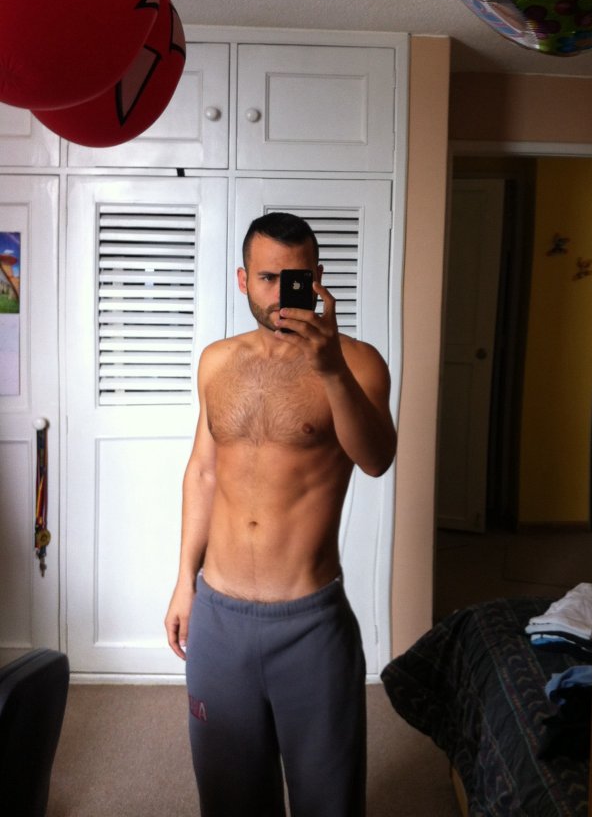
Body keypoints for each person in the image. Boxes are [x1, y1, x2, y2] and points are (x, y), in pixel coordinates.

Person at [164, 211, 397, 817]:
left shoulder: (359, 363)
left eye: (296, 279)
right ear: (243, 280)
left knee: (328, 799)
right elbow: (204, 472)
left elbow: (376, 459)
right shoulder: (217, 361)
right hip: (219, 616)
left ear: (317, 279)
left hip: (310, 622)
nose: (281, 296)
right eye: (267, 279)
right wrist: (184, 582)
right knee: (229, 797)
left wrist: (330, 370)